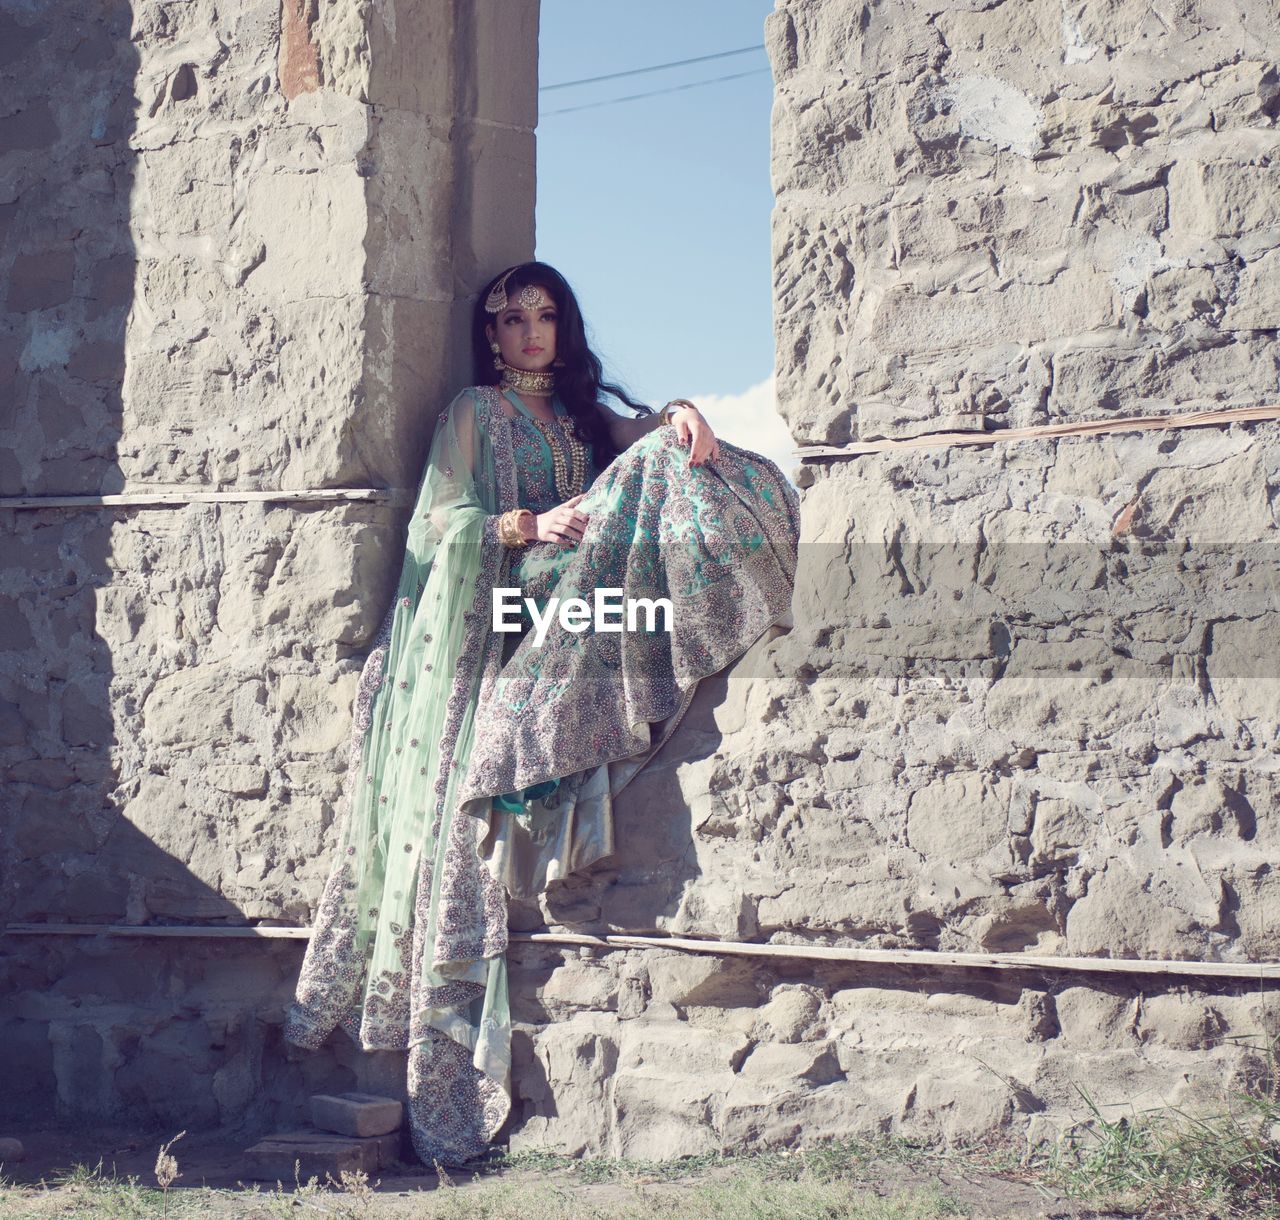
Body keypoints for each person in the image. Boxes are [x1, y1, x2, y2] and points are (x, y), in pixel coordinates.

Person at [284, 262, 801, 1165]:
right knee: (640, 478)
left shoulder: (577, 417)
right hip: (497, 605)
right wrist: (526, 525)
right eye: (514, 318)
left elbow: (640, 444)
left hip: (564, 593)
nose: (531, 331)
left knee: (670, 462)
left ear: (564, 328)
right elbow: (439, 523)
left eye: (546, 316)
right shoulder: (472, 416)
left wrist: (682, 412)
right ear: (491, 335)